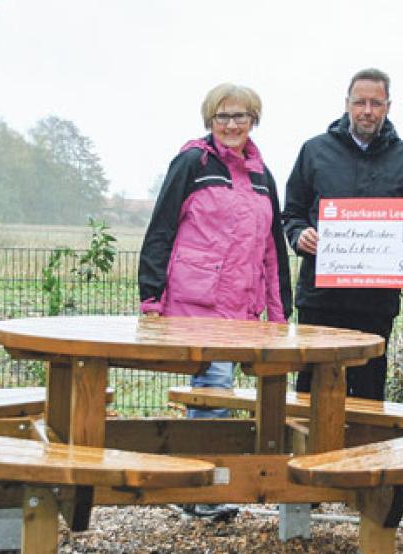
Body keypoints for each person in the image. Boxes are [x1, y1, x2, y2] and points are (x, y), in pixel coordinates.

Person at [138, 83, 292, 521]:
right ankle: (201, 490)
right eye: (222, 116)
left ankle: (195, 484)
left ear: (253, 120)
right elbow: (162, 229)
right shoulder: (193, 163)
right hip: (196, 302)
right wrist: (151, 298)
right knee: (214, 391)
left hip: (241, 308)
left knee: (214, 395)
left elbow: (272, 250)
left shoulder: (262, 176)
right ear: (210, 120)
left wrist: (279, 312)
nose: (231, 124)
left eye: (240, 116)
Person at [282, 68, 403, 400]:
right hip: (321, 299)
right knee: (312, 392)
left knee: (368, 397)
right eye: (360, 102)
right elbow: (292, 212)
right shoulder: (314, 151)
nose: (367, 111)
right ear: (346, 104)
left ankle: (364, 437)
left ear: (388, 106)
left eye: (376, 103)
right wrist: (299, 234)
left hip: (375, 304)